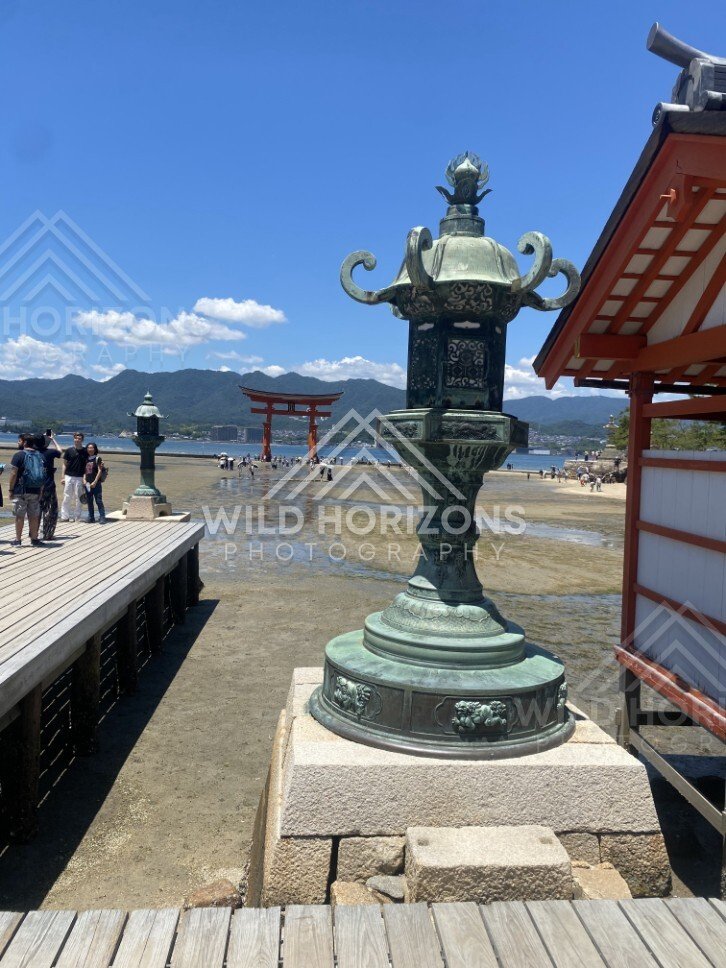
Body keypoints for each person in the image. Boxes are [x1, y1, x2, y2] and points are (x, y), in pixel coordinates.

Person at [7, 433, 46, 547]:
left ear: (24, 442)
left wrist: (10, 490)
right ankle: (34, 539)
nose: (18, 443)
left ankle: (18, 540)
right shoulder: (40, 456)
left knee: (20, 515)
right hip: (36, 490)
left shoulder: (19, 455)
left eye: (19, 441)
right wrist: (41, 490)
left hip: (21, 490)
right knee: (33, 515)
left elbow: (13, 473)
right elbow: (43, 475)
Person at [38, 430, 62, 539]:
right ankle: (47, 534)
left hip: (35, 486)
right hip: (48, 485)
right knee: (50, 509)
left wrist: (43, 439)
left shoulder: (33, 452)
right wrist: (52, 439)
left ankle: (33, 532)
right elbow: (60, 451)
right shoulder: (50, 453)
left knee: (36, 510)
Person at [61, 432, 88, 521]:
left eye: (79, 438)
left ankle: (77, 516)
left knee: (79, 498)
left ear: (82, 440)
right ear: (74, 439)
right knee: (67, 497)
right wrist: (62, 477)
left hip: (80, 477)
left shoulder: (85, 451)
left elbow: (86, 466)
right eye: (76, 438)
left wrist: (85, 478)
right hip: (68, 476)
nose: (77, 440)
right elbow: (64, 464)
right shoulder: (69, 450)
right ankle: (65, 517)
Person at [84, 443, 107, 524]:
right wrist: (84, 480)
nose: (90, 449)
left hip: (96, 483)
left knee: (98, 501)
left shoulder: (98, 458)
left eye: (92, 448)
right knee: (89, 501)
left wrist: (95, 481)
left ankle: (102, 517)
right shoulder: (85, 458)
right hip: (87, 483)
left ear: (95, 449)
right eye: (88, 448)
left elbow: (100, 471)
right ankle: (91, 517)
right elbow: (84, 471)